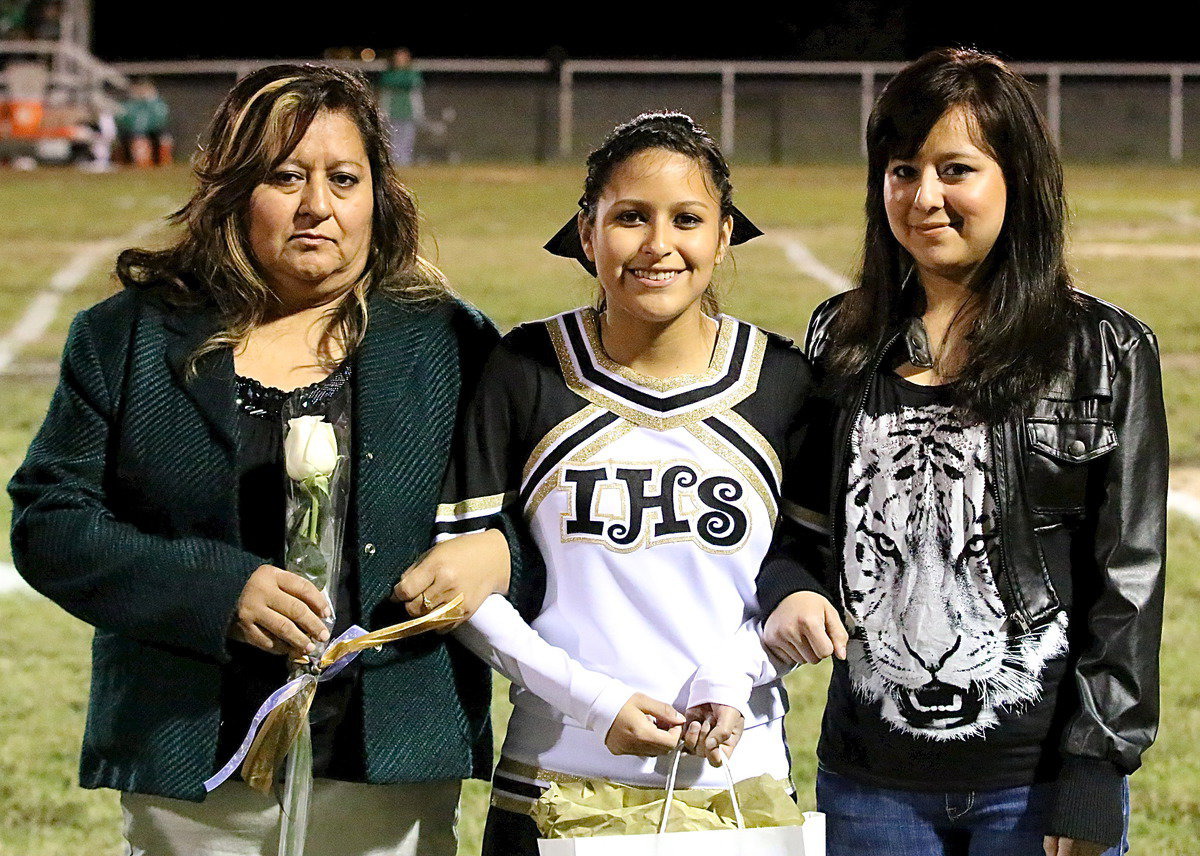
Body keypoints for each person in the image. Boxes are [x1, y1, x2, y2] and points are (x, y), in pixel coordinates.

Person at [8, 63, 509, 856]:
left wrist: (500, 552)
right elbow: (50, 522)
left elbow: (542, 514)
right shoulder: (129, 337)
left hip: (389, 763)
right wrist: (215, 590)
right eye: (285, 176)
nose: (318, 205)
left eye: (343, 178)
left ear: (377, 196)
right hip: (191, 759)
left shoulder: (449, 342)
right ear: (234, 189)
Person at [394, 111, 839, 855]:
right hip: (553, 775)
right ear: (588, 232)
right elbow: (456, 586)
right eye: (630, 217)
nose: (658, 244)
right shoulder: (525, 368)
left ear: (724, 234)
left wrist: (732, 678)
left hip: (738, 777)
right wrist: (594, 702)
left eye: (687, 219)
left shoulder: (784, 382)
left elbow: (807, 580)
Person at [761, 48, 1167, 856]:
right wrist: (790, 592)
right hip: (870, 779)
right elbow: (801, 532)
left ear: (1016, 179)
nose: (925, 198)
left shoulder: (1105, 349)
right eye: (903, 170)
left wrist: (1094, 773)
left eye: (956, 169)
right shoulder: (840, 339)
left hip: (1037, 781)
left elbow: (1129, 579)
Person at [378, 48, 424, 167]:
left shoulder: (412, 72)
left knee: (407, 139)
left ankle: (405, 163)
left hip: (409, 112)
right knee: (394, 139)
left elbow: (413, 83)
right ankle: (395, 164)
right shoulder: (389, 73)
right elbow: (386, 84)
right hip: (393, 112)